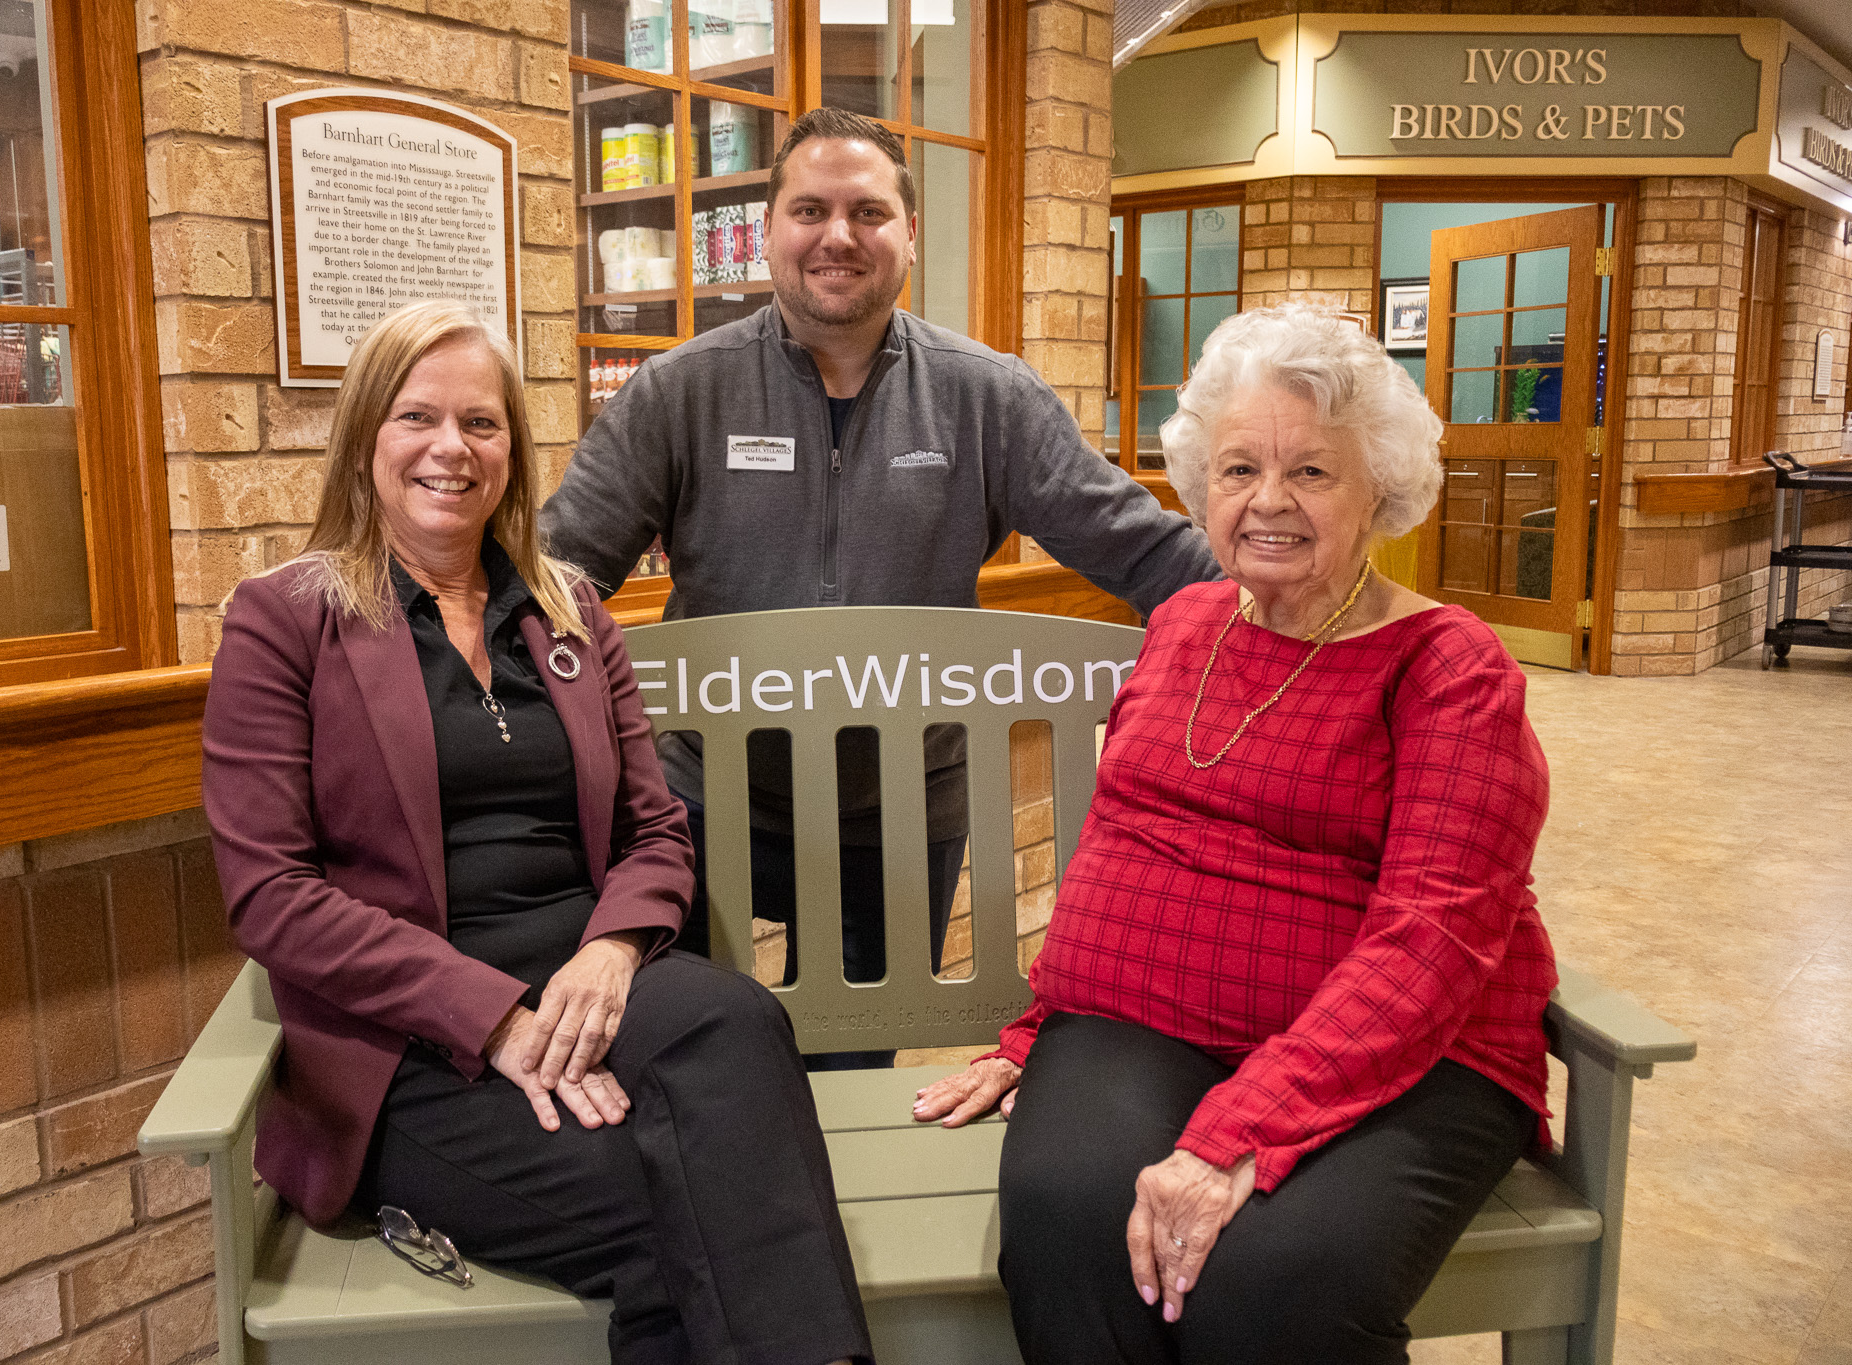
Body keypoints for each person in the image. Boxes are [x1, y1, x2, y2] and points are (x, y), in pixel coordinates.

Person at [202, 299, 870, 1365]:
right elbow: (269, 897)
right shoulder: (285, 621)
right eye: (418, 417)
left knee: (737, 1021)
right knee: (680, 1204)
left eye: (482, 423)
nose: (450, 449)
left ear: (513, 448)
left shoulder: (567, 612)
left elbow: (655, 829)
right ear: (366, 436)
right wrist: (493, 1019)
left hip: (591, 989)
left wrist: (609, 954)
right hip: (408, 1049)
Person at [911, 304, 1559, 1364]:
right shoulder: (1179, 627)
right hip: (1146, 1022)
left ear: (1376, 490)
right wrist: (1041, 1027)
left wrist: (1234, 1133)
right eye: (1237, 468)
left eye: (1310, 472)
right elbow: (1120, 842)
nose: (1267, 502)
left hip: (1417, 1055)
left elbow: (1433, 938)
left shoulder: (1448, 667)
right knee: (1066, 1216)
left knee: (1272, 1283)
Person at [541, 106, 1218, 1018]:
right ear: (771, 231)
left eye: (866, 212)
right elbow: (555, 577)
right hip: (702, 807)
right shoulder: (679, 393)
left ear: (907, 233)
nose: (837, 237)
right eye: (809, 210)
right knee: (695, 1056)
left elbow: (1149, 553)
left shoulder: (989, 398)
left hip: (905, 810)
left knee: (862, 1054)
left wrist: (1328, 617)